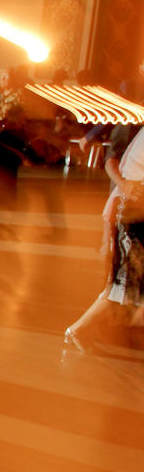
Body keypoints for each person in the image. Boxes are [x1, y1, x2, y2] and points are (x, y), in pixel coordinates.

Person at [65, 126, 144, 352]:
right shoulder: (129, 124)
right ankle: (77, 330)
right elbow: (114, 163)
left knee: (127, 287)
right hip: (132, 215)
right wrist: (127, 186)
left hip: (134, 213)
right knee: (122, 286)